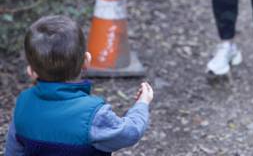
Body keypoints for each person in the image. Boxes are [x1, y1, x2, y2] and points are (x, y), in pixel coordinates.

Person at [5, 15, 153, 156]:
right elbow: (130, 132)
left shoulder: (23, 104)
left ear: (31, 71)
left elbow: (14, 150)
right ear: (86, 61)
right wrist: (142, 104)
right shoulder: (94, 116)